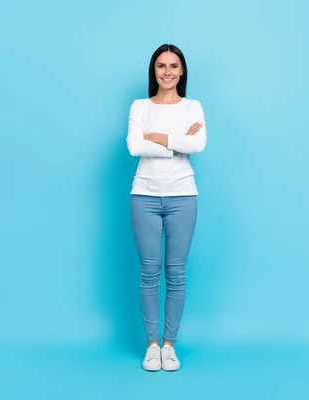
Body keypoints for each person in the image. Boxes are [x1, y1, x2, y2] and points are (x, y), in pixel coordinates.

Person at [126, 44, 207, 371]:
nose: (168, 72)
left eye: (174, 66)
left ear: (182, 71)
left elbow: (198, 144)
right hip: (144, 196)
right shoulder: (140, 106)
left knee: (176, 274)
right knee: (149, 273)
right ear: (154, 70)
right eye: (161, 66)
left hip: (183, 197)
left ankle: (170, 346)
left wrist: (157, 136)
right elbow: (134, 145)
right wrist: (175, 140)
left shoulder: (193, 106)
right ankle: (152, 345)